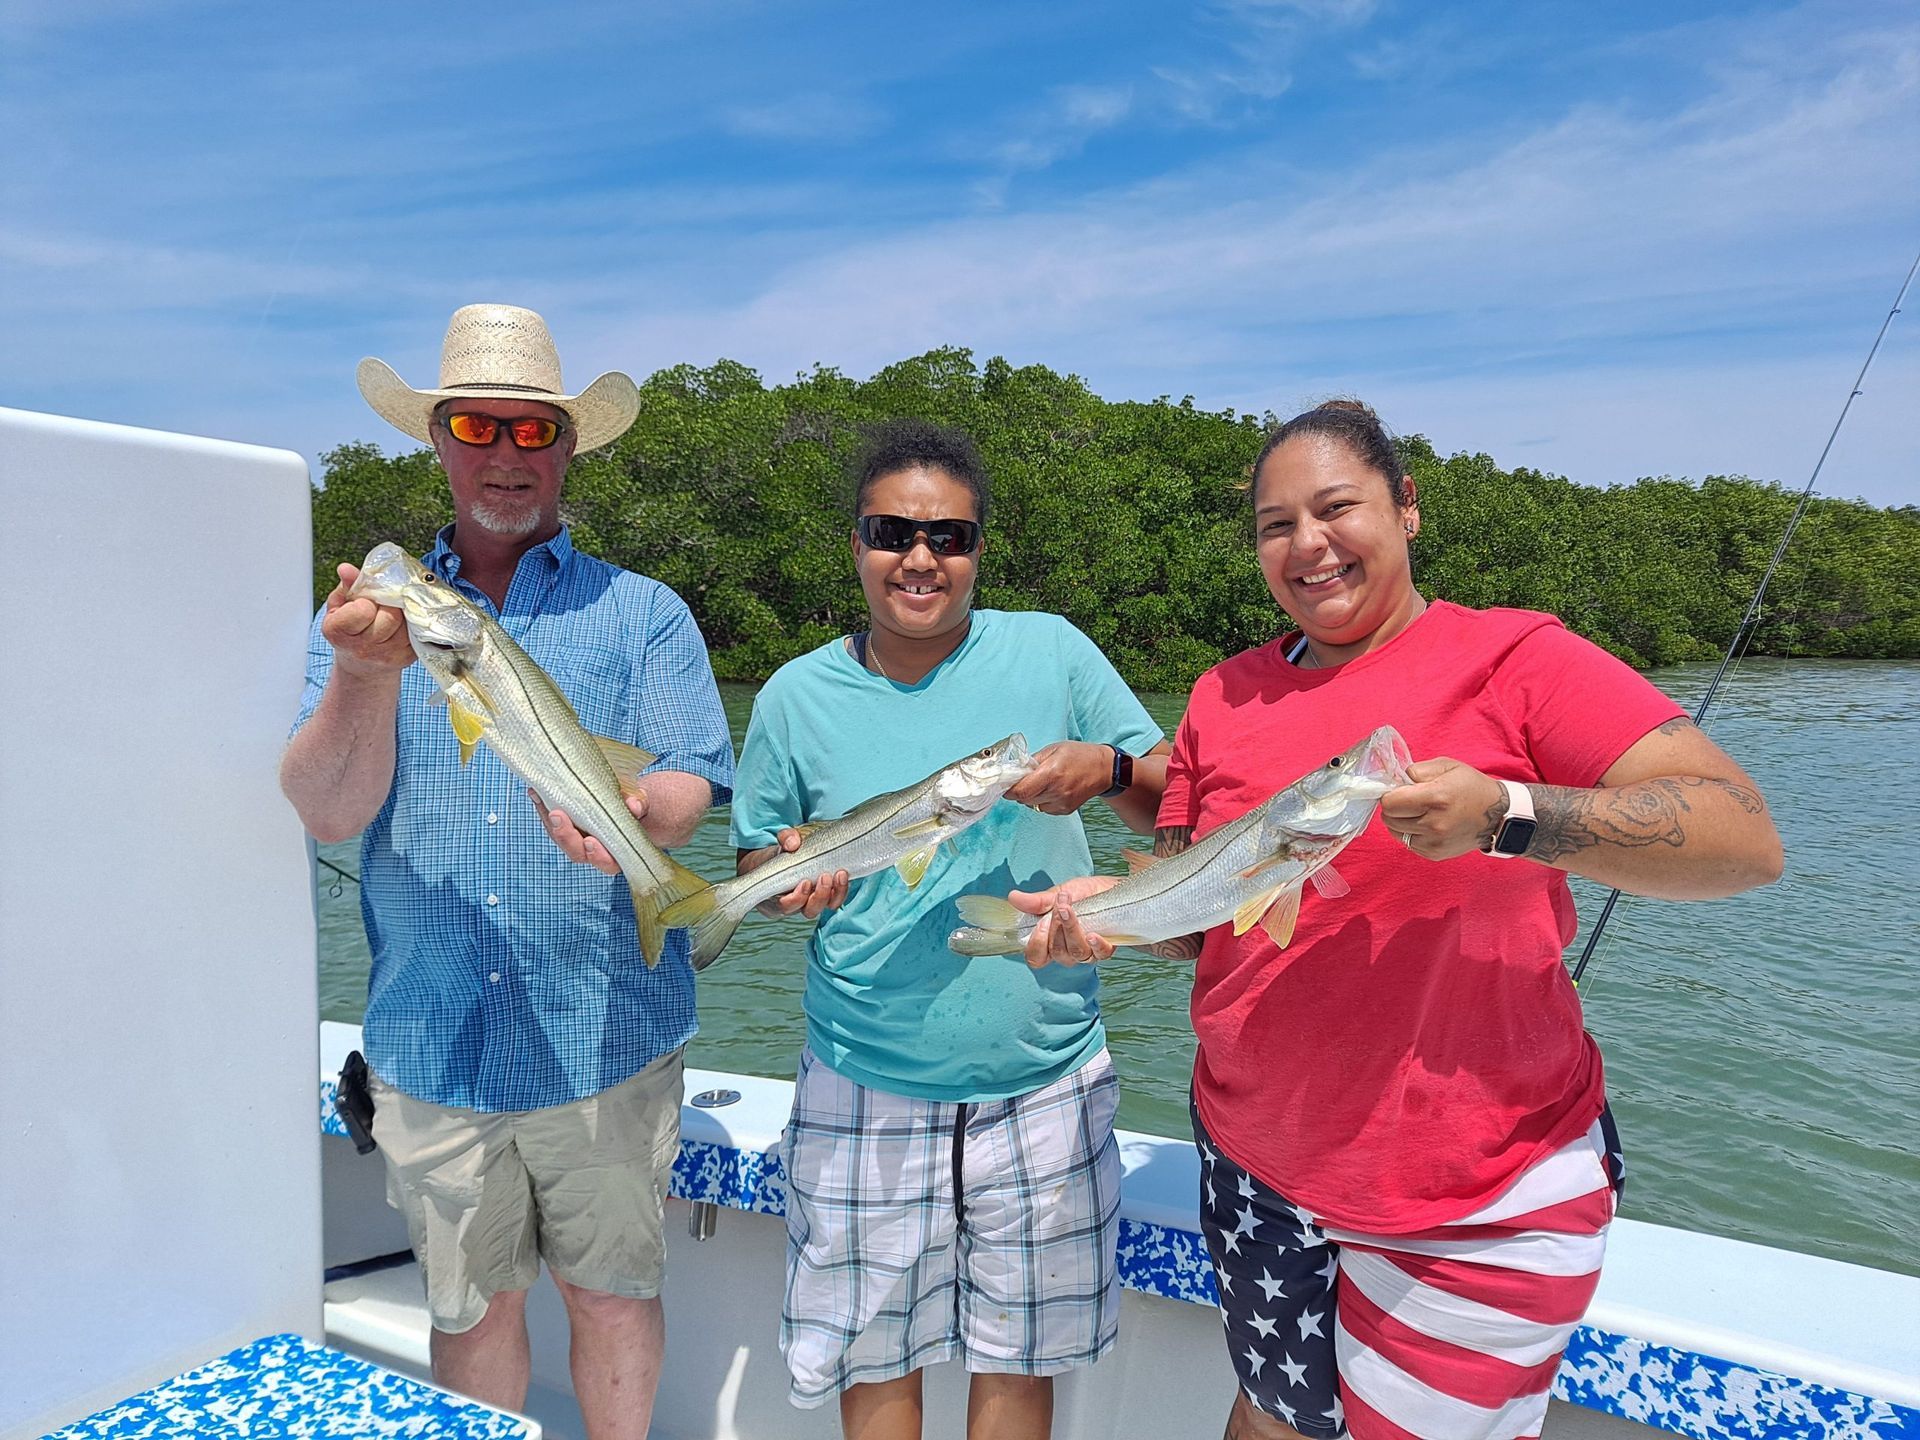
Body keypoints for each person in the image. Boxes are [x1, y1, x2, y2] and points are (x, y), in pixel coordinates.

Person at [1017, 399, 1784, 1440]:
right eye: (1275, 525)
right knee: (1268, 1417)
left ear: (1407, 508)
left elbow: (1742, 834)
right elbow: (1202, 921)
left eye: (1338, 508)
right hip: (1254, 1166)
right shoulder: (1222, 696)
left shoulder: (1518, 658)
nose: (1309, 545)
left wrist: (1508, 813)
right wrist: (1111, 916)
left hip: (1478, 1191)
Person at [551, 417, 1170, 1440]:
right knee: (874, 1359)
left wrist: (1105, 771)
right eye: (893, 531)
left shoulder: (1054, 651)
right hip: (861, 1076)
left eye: (950, 537)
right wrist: (783, 881)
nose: (920, 558)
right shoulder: (795, 694)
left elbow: (1172, 801)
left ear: (978, 549)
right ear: (857, 543)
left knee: (1020, 1364)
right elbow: (760, 856)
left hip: (1047, 1079)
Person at [281, 304, 734, 1439]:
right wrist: (364, 675)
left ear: (569, 447)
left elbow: (686, 782)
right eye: (478, 425)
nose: (505, 454)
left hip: (610, 1038)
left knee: (614, 1299)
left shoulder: (645, 615)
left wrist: (639, 819)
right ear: (437, 439)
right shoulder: (357, 632)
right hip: (434, 1043)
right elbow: (329, 811)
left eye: (534, 432)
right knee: (472, 1314)